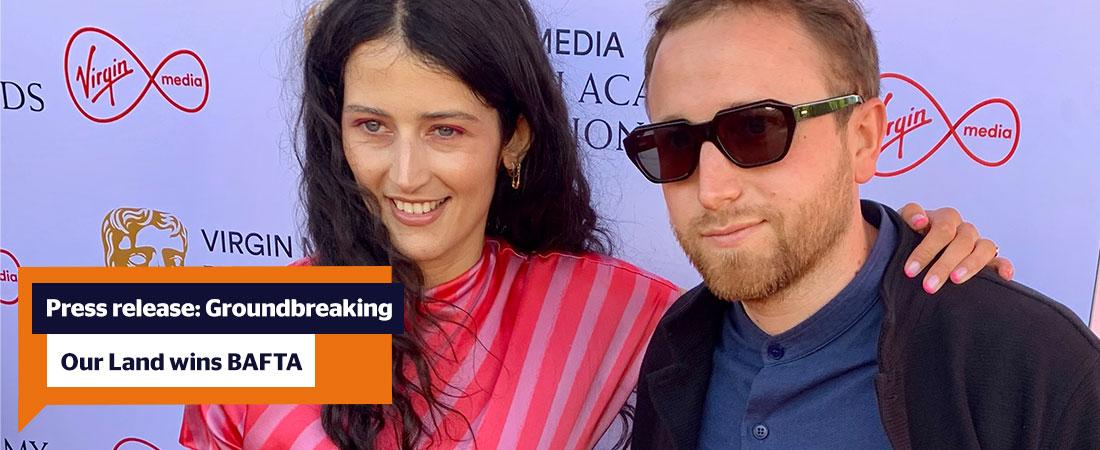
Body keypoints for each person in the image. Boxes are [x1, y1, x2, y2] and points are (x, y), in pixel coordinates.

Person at [180, 0, 1011, 448]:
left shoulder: (616, 313)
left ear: (513, 139)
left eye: (445, 130)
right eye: (371, 127)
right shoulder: (245, 320)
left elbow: (793, 289)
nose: (404, 175)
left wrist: (919, 252)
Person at [627, 0, 1100, 448]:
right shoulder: (676, 351)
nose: (711, 190)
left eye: (756, 129)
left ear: (863, 137)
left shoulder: (1034, 368)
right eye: (674, 144)